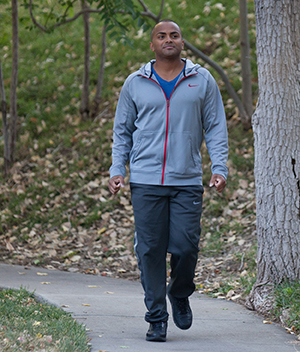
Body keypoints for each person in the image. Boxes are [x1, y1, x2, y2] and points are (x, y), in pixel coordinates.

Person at [108, 19, 228, 342]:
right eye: (161, 36)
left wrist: (220, 169)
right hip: (146, 181)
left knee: (186, 246)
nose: (168, 40)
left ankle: (179, 291)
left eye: (174, 35)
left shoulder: (201, 80)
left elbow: (216, 127)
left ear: (182, 42)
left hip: (187, 179)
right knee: (149, 250)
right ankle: (156, 318)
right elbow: (122, 132)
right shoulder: (135, 83)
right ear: (152, 45)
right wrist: (117, 170)